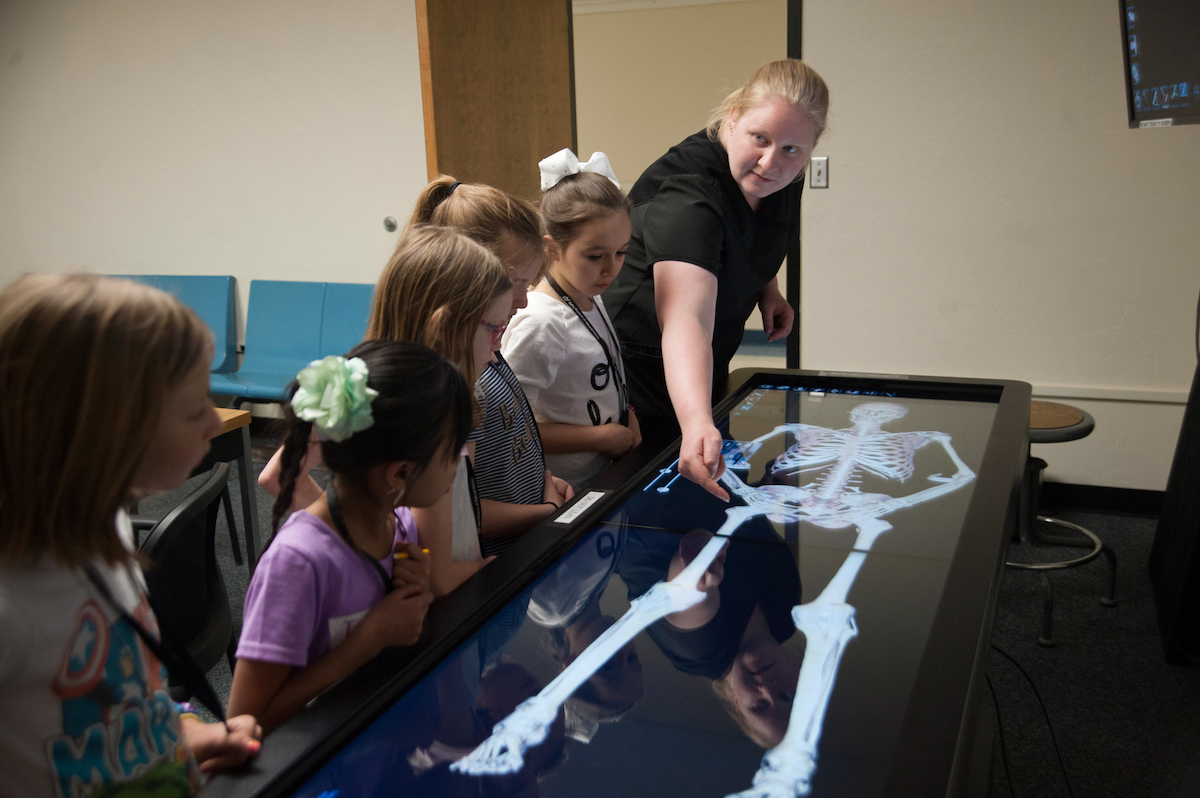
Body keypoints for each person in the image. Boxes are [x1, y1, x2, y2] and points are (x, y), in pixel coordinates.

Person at [0, 274, 261, 797]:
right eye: (194, 410)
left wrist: (180, 735)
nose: (215, 422)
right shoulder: (12, 604)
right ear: (104, 433)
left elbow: (120, 695)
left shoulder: (106, 525)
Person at [602, 59, 829, 500]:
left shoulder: (782, 175)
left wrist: (767, 288)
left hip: (707, 350)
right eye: (759, 138)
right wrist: (695, 420)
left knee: (706, 485)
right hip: (643, 361)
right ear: (732, 118)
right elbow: (684, 317)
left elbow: (753, 231)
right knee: (656, 498)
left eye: (791, 150)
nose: (770, 162)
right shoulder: (690, 192)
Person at [228, 340, 472, 733]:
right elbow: (244, 721)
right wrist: (370, 638)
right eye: (451, 455)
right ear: (399, 474)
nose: (456, 468)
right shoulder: (298, 562)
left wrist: (414, 591)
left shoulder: (400, 527)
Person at [258, 225, 513, 595]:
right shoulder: (412, 410)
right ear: (443, 326)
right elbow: (440, 579)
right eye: (494, 328)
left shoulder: (424, 392)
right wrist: (356, 548)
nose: (499, 344)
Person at [409, 176, 573, 555]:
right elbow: (461, 511)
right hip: (484, 565)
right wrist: (542, 510)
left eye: (529, 283)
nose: (524, 301)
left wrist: (541, 488)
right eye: (512, 282)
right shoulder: (458, 377)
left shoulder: (488, 347)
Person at [501, 150, 642, 492]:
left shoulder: (590, 293)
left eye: (621, 252)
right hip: (562, 492)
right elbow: (509, 429)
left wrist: (625, 414)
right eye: (595, 256)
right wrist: (600, 436)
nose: (612, 269)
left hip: (601, 478)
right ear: (551, 248)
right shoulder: (539, 321)